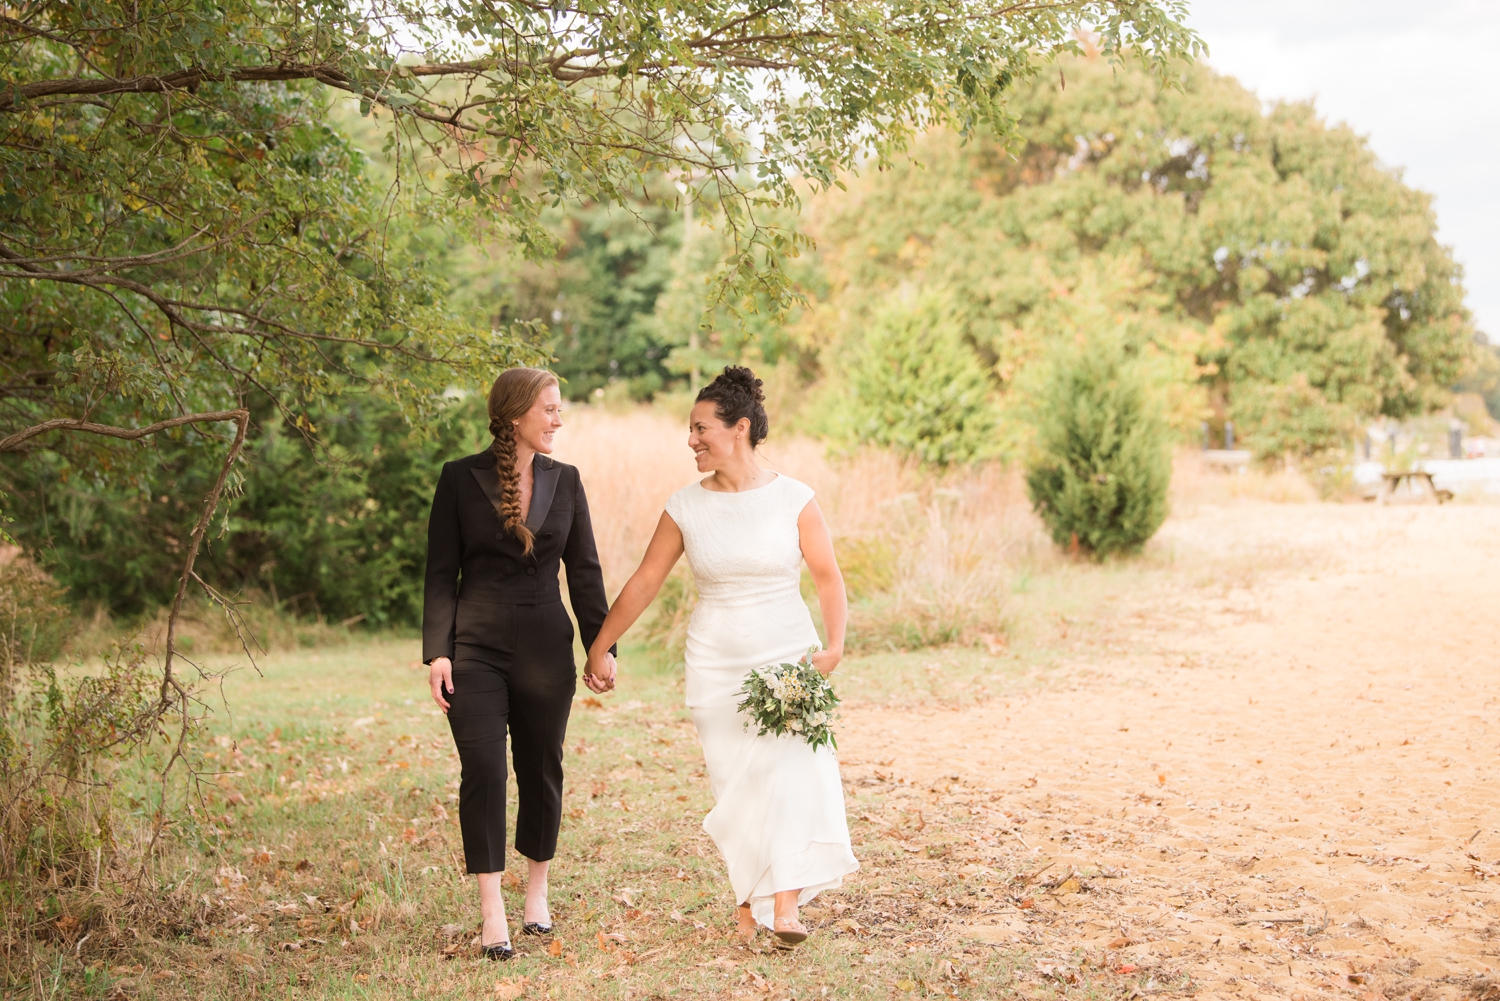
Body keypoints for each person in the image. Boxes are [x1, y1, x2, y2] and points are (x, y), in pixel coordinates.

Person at [583, 365, 858, 947]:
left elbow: (828, 577)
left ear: (739, 428)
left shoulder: (794, 498)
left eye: (701, 428)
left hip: (787, 655)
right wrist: (601, 644)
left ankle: (784, 909)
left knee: (790, 770)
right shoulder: (685, 506)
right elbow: (645, 581)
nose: (691, 440)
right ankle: (745, 906)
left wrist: (833, 646)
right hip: (716, 662)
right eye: (689, 429)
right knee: (737, 783)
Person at [423, 367, 617, 960]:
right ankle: (491, 911)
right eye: (550, 409)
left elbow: (584, 571)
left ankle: (537, 889)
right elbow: (440, 572)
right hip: (474, 647)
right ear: (515, 416)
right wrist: (437, 650)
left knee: (540, 766)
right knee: (483, 770)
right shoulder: (459, 478)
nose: (559, 419)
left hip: (545, 647)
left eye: (560, 409)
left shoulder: (568, 479)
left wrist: (601, 645)